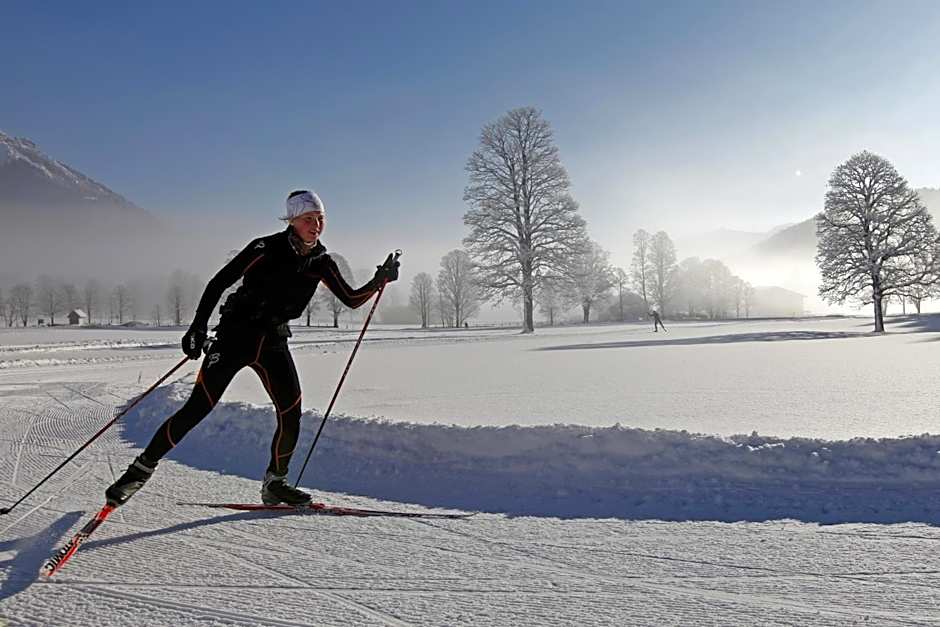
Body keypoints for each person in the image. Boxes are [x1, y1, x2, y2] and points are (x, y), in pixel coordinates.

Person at [105, 190, 399, 507]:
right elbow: (219, 281)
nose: (315, 225)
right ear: (292, 221)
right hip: (235, 336)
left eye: (319, 219)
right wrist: (198, 326)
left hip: (273, 341)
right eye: (307, 219)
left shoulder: (322, 262)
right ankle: (138, 471)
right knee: (198, 408)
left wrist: (379, 280)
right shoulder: (266, 247)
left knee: (291, 413)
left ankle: (275, 483)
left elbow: (351, 299)